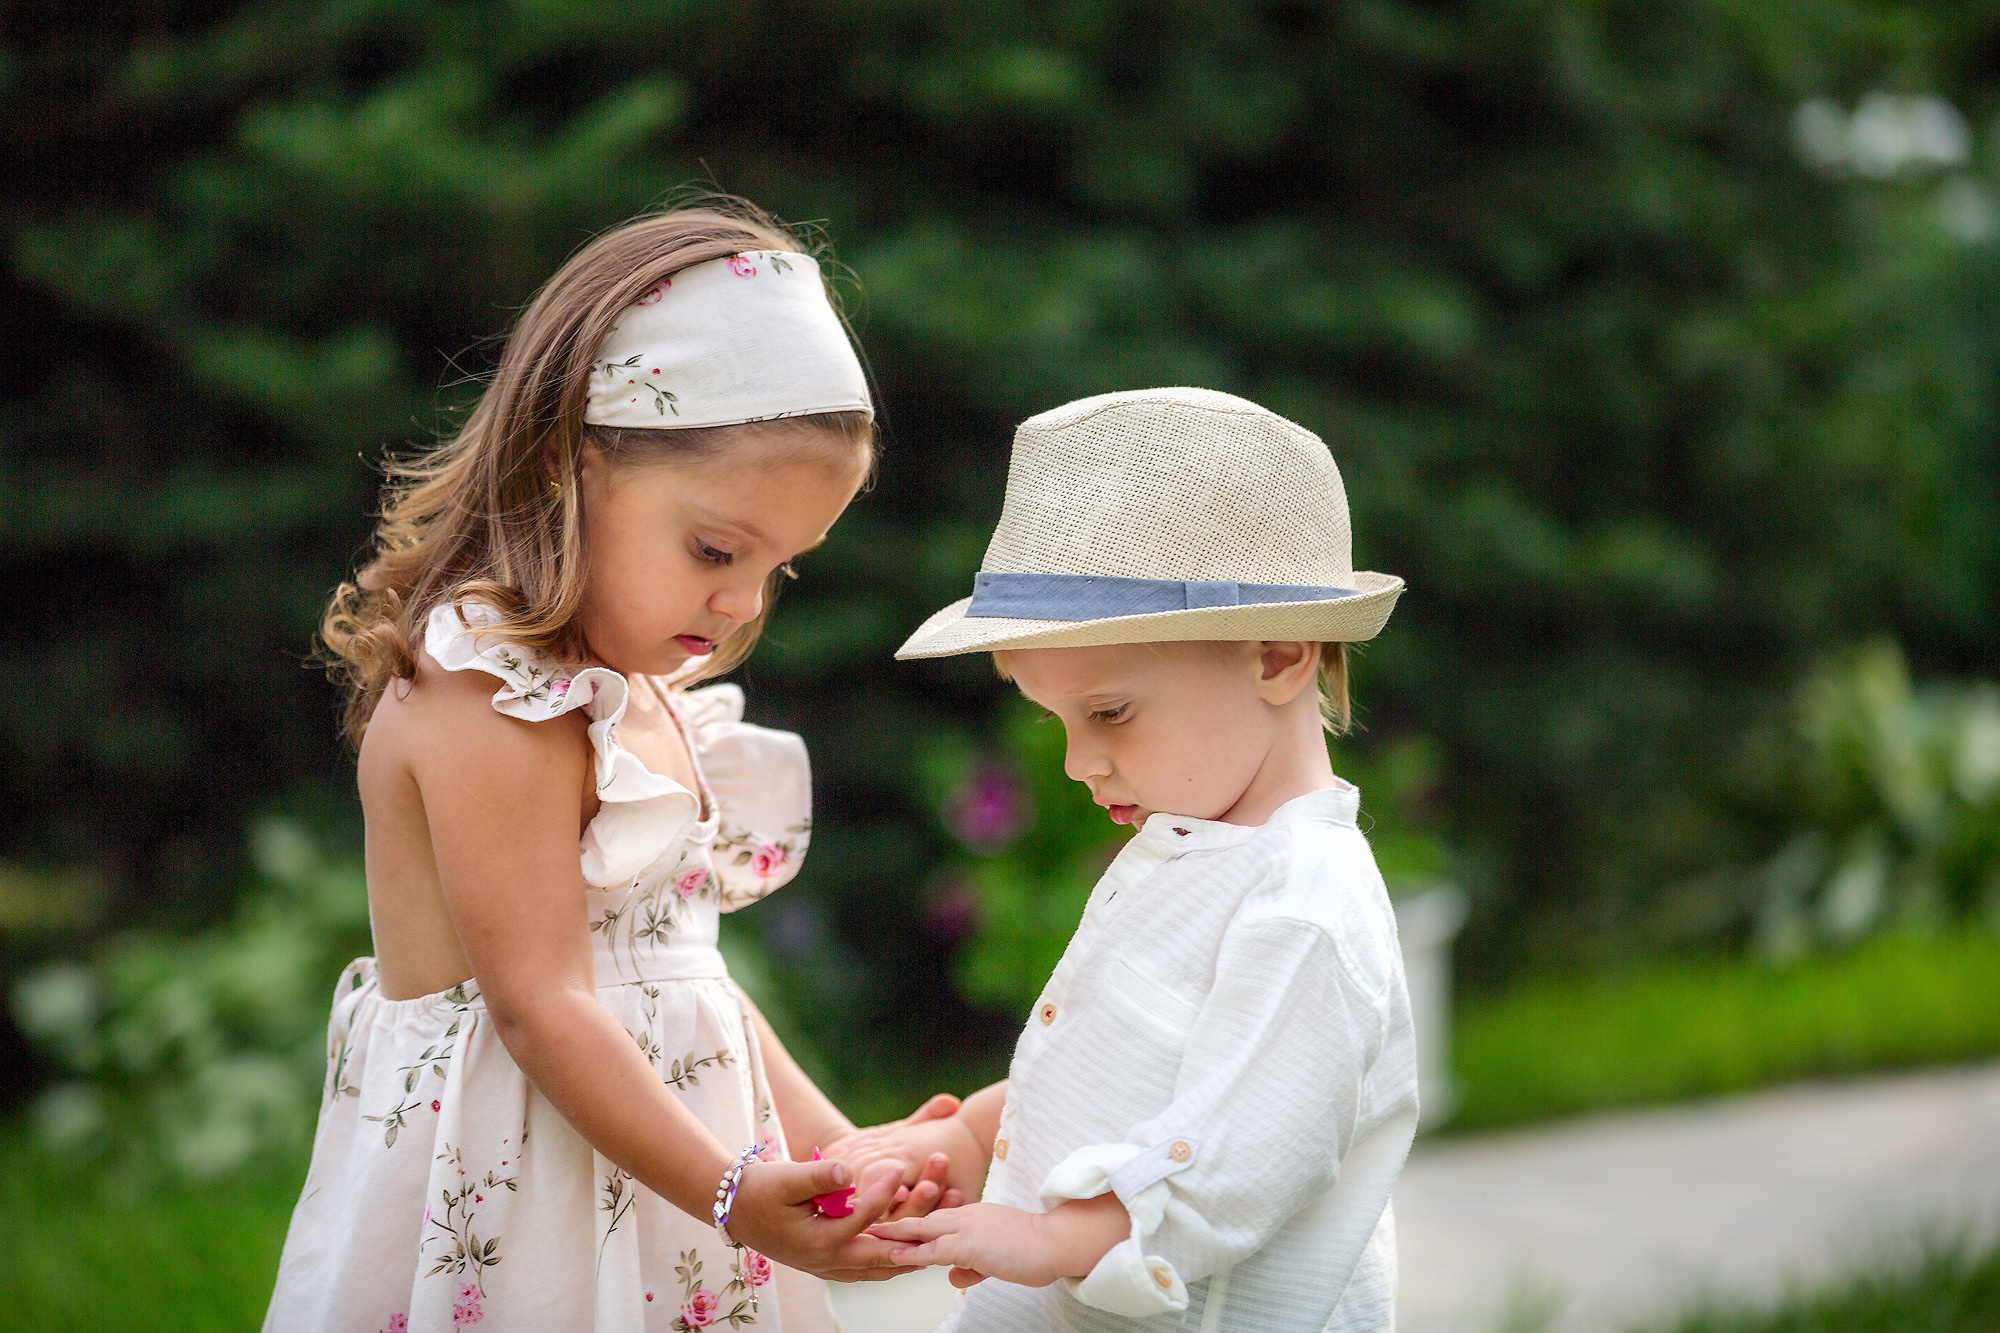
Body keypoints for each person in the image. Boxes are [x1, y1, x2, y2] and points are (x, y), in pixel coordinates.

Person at [265, 201, 952, 1333]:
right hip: (521, 1206)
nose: (740, 602)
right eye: (717, 549)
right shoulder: (490, 689)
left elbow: (688, 982)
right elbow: (539, 1005)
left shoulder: (641, 696)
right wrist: (734, 1193)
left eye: (780, 569)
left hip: (666, 1199)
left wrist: (834, 1150)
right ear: (564, 463)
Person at [859, 388, 1422, 1331]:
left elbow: (1250, 1150)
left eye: (1109, 711)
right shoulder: (1199, 856)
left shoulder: (1304, 905)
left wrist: (1051, 1238)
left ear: (1279, 652)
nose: (1079, 762)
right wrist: (973, 1135)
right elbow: (1123, 1076)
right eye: (1059, 720)